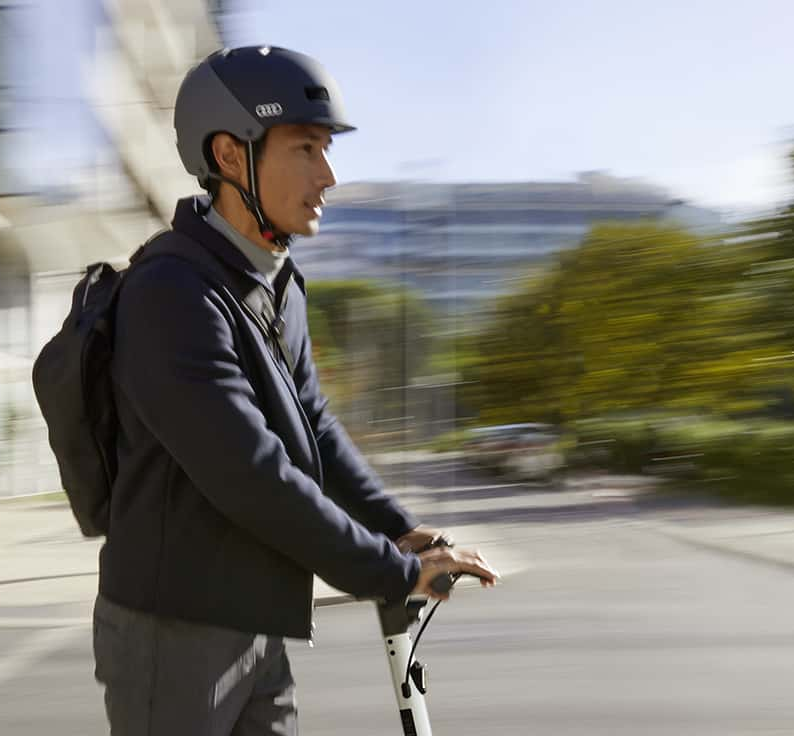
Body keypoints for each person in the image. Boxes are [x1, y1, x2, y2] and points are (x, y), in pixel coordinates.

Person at [93, 46, 499, 736]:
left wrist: (396, 527)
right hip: (174, 628)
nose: (330, 175)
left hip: (258, 617)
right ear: (230, 155)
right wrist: (389, 572)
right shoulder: (172, 294)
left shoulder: (277, 285)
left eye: (328, 150)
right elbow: (251, 475)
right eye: (307, 148)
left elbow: (313, 427)